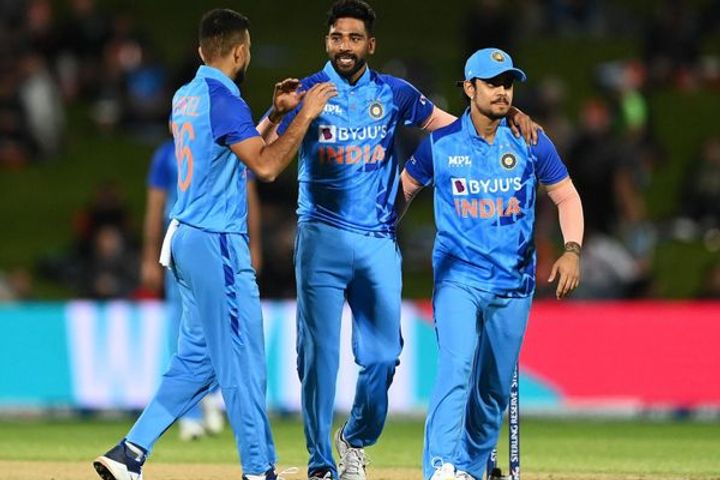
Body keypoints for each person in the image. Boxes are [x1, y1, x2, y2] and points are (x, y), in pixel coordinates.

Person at [257, 2, 539, 479]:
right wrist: (274, 112)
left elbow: (456, 126)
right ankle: (320, 463)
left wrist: (506, 113)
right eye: (337, 37)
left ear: (370, 44)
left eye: (354, 38)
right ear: (327, 41)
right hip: (320, 237)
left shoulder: (395, 92)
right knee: (318, 356)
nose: (345, 46)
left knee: (384, 356)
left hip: (377, 240)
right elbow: (258, 154)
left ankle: (354, 438)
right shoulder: (307, 91)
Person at [93, 8, 336, 480]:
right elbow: (265, 166)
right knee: (243, 360)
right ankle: (258, 469)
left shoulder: (187, 96)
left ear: (203, 50)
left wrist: (274, 115)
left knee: (198, 360)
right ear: (240, 52)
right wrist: (305, 115)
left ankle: (129, 452)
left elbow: (232, 152)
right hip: (216, 242)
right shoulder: (225, 99)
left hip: (186, 237)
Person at [397, 48, 584, 480]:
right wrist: (380, 239)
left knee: (493, 391)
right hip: (458, 279)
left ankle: (470, 468)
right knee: (457, 366)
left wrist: (572, 250)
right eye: (492, 83)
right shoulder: (440, 144)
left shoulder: (530, 140)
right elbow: (403, 191)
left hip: (513, 284)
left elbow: (566, 195)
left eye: (507, 83)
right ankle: (440, 467)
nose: (502, 91)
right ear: (469, 88)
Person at [140, 137, 263, 440]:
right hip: (185, 248)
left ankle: (210, 396)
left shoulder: (230, 145)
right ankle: (191, 413)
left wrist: (255, 245)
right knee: (183, 329)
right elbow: (156, 206)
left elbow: (249, 197)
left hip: (219, 245)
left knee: (222, 327)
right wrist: (149, 255)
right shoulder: (167, 155)